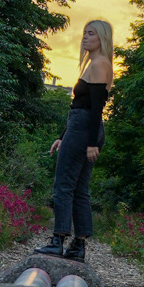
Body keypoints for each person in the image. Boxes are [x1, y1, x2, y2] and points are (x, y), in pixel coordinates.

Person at [35, 20, 113, 262]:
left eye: (91, 34)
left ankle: (57, 241)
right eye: (84, 33)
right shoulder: (97, 64)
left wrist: (89, 142)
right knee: (79, 190)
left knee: (63, 186)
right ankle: (78, 246)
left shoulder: (100, 64)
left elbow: (95, 108)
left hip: (84, 129)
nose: (85, 37)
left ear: (102, 38)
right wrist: (62, 136)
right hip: (82, 129)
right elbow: (80, 105)